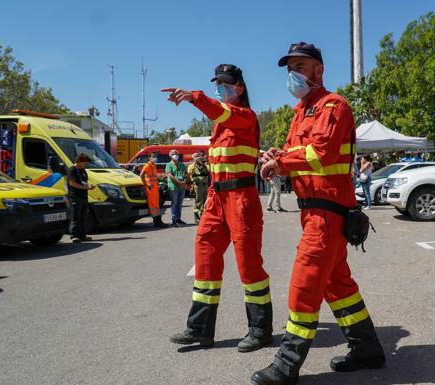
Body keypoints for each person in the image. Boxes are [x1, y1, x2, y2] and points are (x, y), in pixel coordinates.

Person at [254, 42, 385, 385]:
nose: (293, 74)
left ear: (319, 70)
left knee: (305, 282)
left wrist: (281, 162)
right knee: (337, 284)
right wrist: (278, 155)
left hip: (327, 213)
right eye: (289, 68)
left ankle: (287, 363)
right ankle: (367, 348)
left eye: (299, 66)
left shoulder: (333, 105)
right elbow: (302, 154)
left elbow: (322, 153)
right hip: (314, 212)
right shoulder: (301, 111)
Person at [162, 63, 273, 352]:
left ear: (240, 87)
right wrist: (210, 195)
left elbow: (219, 110)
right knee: (206, 255)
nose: (221, 89)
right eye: (218, 84)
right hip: (217, 196)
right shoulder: (220, 123)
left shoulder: (244, 116)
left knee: (249, 266)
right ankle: (199, 329)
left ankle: (260, 330)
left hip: (241, 198)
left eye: (226, 84)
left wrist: (193, 96)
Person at [67, 153, 95, 243]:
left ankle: (82, 235)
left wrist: (89, 185)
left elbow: (84, 182)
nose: (86, 165)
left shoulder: (83, 170)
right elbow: (72, 183)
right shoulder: (72, 170)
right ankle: (74, 236)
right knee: (75, 216)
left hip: (83, 197)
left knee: (83, 217)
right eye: (85, 163)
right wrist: (85, 187)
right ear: (79, 161)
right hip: (75, 197)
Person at [140, 152, 167, 228]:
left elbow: (154, 177)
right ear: (149, 158)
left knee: (157, 204)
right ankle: (156, 222)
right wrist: (146, 184)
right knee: (153, 205)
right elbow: (141, 175)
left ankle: (159, 221)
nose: (155, 158)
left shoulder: (154, 165)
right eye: (153, 157)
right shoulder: (147, 165)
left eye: (155, 156)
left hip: (154, 187)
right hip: (150, 188)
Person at [165, 149, 188, 227]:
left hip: (182, 186)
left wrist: (184, 182)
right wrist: (178, 182)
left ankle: (178, 219)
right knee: (174, 203)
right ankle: (174, 220)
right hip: (173, 187)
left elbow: (185, 174)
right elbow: (170, 175)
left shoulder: (182, 164)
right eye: (173, 154)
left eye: (176, 153)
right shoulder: (169, 165)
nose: (175, 155)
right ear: (170, 156)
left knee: (180, 203)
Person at [188, 150, 210, 223]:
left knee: (205, 201)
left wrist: (204, 162)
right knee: (198, 201)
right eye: (197, 157)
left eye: (201, 156)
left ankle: (203, 216)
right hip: (197, 185)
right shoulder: (192, 165)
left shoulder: (204, 165)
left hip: (204, 185)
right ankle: (196, 217)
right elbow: (190, 171)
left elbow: (209, 170)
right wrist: (195, 162)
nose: (200, 158)